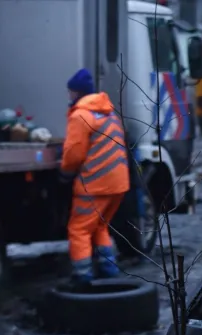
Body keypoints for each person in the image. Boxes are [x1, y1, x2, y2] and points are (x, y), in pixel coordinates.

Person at [59, 68, 130, 285]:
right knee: (100, 226)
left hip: (95, 186)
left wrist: (65, 174)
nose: (69, 96)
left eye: (70, 92)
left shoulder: (81, 116)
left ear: (77, 92)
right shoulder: (109, 114)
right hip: (118, 184)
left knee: (78, 229)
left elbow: (74, 153)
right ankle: (109, 270)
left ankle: (83, 276)